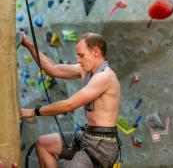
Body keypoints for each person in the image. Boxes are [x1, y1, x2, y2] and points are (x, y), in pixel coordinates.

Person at [20, 32, 121, 168]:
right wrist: (28, 45)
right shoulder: (86, 70)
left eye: (81, 55)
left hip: (102, 146)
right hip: (87, 137)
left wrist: (34, 111)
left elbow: (70, 105)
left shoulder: (105, 77)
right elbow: (52, 69)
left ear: (96, 51)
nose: (78, 59)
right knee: (43, 144)